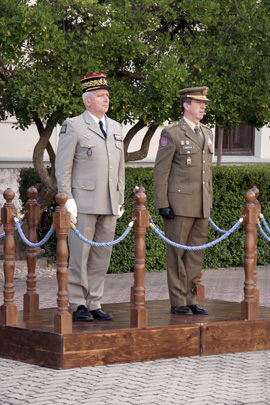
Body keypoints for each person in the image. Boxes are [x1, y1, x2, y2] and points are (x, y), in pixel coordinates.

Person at [55, 73, 125, 321]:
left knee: (101, 256)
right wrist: (67, 199)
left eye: (106, 95)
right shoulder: (73, 125)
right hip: (82, 204)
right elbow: (62, 166)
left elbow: (120, 167)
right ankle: (77, 303)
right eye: (100, 96)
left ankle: (94, 301)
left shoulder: (116, 127)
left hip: (108, 202)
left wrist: (120, 197)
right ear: (87, 101)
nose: (106, 99)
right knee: (80, 255)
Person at [153, 86, 213, 316]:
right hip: (179, 204)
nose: (203, 106)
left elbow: (206, 173)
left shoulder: (207, 133)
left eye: (204, 103)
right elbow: (161, 170)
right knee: (177, 254)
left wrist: (208, 200)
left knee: (195, 254)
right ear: (186, 105)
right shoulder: (172, 133)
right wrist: (162, 203)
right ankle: (178, 300)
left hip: (201, 204)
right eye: (199, 102)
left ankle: (191, 299)